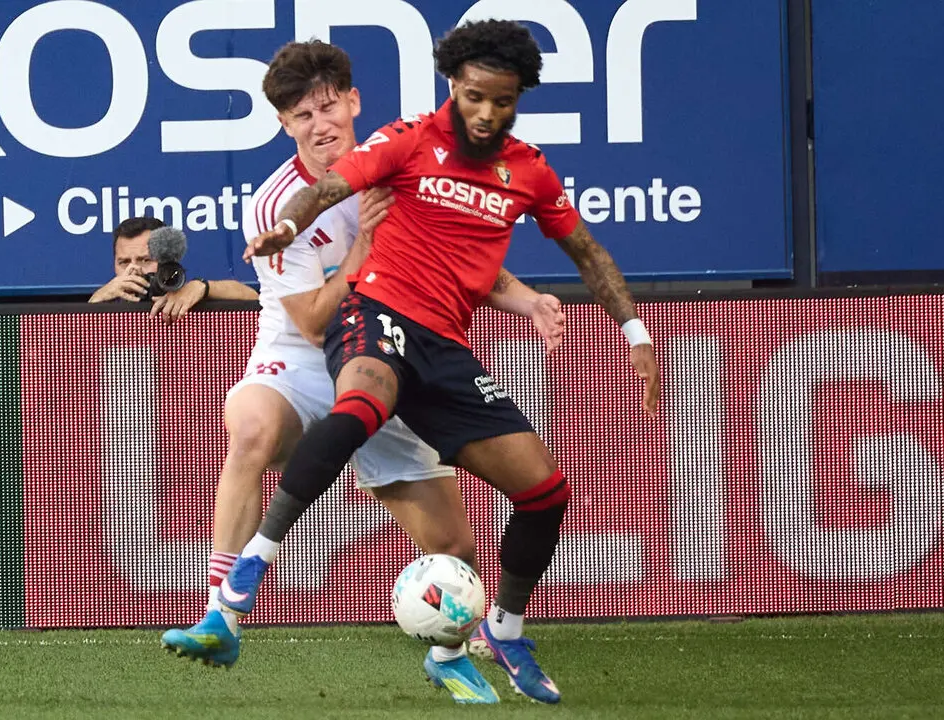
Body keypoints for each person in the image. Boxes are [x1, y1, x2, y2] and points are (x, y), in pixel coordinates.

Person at [221, 20, 663, 705]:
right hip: (371, 318)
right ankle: (251, 564)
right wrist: (288, 225)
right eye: (476, 96)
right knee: (351, 409)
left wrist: (633, 329)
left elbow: (585, 253)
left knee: (544, 492)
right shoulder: (406, 140)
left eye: (503, 101)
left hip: (446, 350)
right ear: (453, 86)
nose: (487, 113)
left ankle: (503, 630)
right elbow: (335, 186)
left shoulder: (529, 170)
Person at [159, 39, 569, 704]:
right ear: (284, 126)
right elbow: (317, 323)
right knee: (254, 430)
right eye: (300, 116)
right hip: (302, 360)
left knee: (456, 551)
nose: (319, 124)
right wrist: (362, 250)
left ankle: (449, 651)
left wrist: (528, 301)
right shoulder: (276, 205)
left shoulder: (401, 164)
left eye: (327, 107)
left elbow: (462, 261)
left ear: (352, 103)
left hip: (393, 353)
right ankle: (221, 614)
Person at [88, 216, 257, 320]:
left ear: (166, 261)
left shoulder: (187, 296)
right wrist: (94, 304)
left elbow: (253, 297)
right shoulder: (105, 308)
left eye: (145, 260)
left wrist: (203, 287)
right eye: (124, 262)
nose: (134, 269)